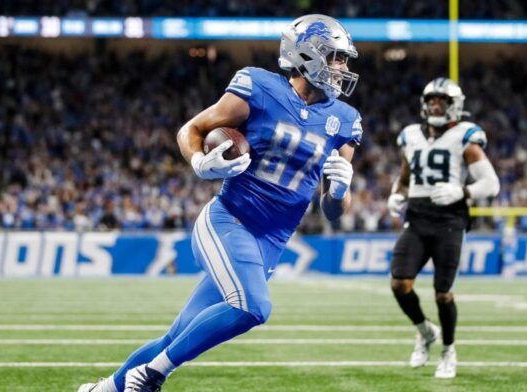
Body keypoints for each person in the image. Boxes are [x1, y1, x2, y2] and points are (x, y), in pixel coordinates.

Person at [78, 14, 363, 392]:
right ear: (307, 53)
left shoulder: (345, 120)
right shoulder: (260, 87)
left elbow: (331, 211)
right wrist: (200, 162)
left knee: (176, 338)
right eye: (335, 57)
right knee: (253, 308)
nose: (341, 68)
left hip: (272, 244)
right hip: (230, 221)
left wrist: (340, 192)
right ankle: (150, 375)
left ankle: (104, 389)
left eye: (344, 59)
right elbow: (191, 130)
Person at [386, 77, 500, 379]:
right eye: (431, 101)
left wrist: (462, 191)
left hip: (450, 219)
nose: (435, 105)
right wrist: (396, 194)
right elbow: (406, 175)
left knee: (443, 294)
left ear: (454, 105)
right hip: (418, 215)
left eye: (442, 101)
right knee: (399, 283)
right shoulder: (410, 135)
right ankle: (425, 332)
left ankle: (449, 351)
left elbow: (492, 183)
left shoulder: (466, 136)